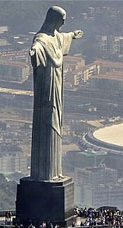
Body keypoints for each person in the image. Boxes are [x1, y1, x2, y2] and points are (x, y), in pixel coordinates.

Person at [29, 6, 83, 180]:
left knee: (56, 121)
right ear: (53, 20)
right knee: (48, 121)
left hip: (57, 85)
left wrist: (73, 34)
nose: (63, 23)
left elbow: (62, 37)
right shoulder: (42, 39)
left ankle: (54, 172)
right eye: (61, 20)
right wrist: (35, 51)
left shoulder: (56, 37)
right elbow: (37, 45)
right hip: (47, 86)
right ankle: (45, 174)